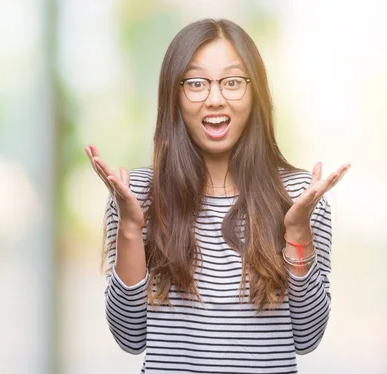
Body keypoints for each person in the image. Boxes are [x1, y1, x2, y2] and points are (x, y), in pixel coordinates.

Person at [84, 18, 350, 373]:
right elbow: (130, 338)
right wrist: (131, 228)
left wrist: (297, 235)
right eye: (196, 83)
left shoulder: (300, 195)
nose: (214, 98)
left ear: (255, 93)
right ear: (174, 95)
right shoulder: (136, 194)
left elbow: (308, 337)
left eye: (232, 82)